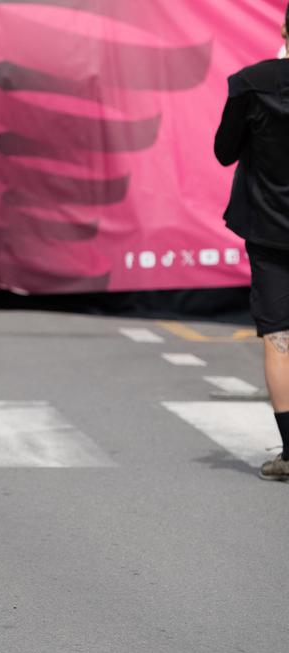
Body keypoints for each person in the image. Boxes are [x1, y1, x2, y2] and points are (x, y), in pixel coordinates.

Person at [214, 2, 289, 481]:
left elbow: (223, 151)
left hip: (270, 232)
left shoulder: (250, 82)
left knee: (280, 336)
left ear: (284, 26)